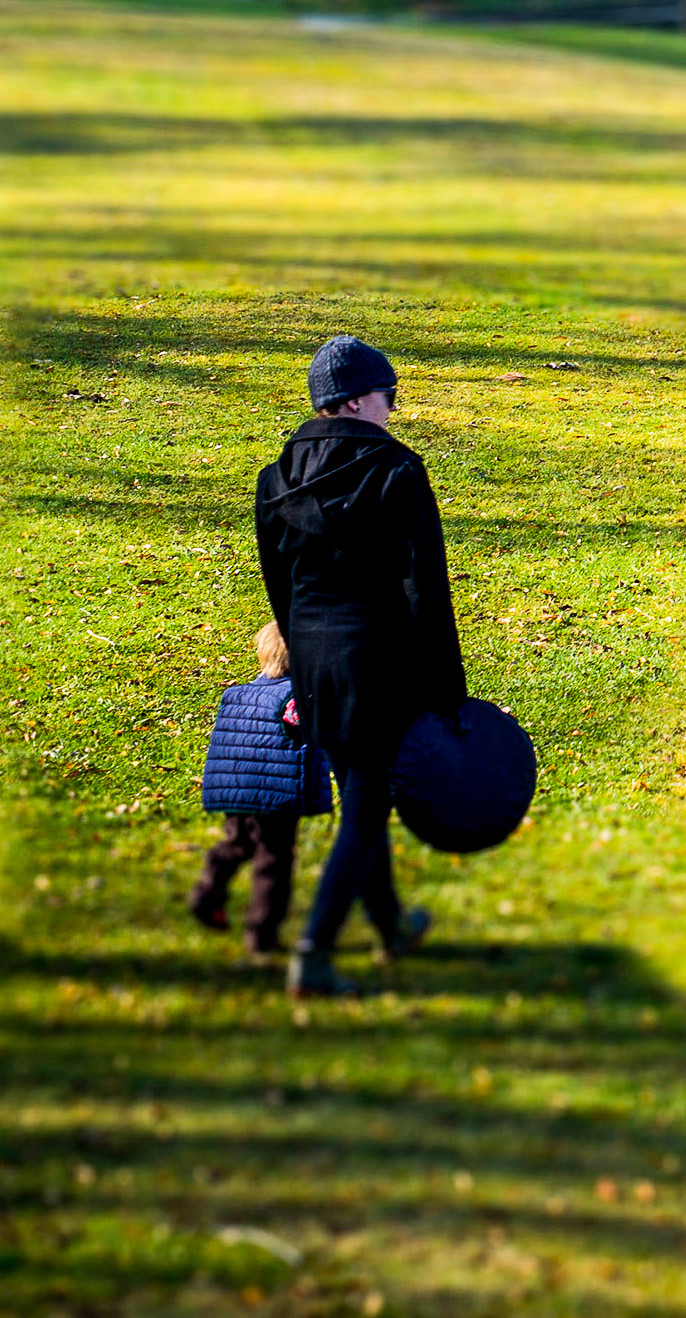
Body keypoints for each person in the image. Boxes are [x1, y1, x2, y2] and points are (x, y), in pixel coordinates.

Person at [256, 334, 468, 999]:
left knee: (359, 793)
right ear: (353, 401)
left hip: (316, 664)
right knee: (368, 811)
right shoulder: (397, 469)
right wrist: (449, 691)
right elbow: (425, 588)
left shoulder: (276, 478)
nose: (392, 408)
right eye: (388, 395)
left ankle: (391, 923)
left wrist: (298, 665)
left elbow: (280, 588)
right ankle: (314, 952)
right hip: (379, 663)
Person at [188, 618, 332, 959]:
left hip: (236, 787)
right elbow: (311, 736)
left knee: (237, 843)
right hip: (275, 792)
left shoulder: (238, 693)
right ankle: (261, 933)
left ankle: (206, 894)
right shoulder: (298, 697)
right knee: (273, 859)